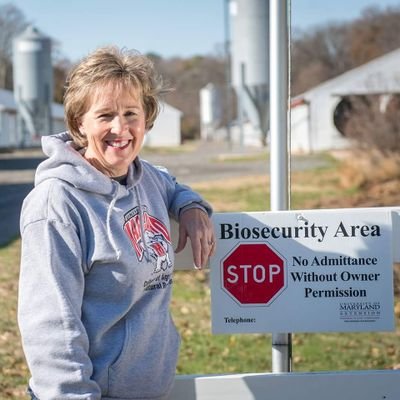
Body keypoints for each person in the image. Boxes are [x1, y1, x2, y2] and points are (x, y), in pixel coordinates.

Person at [18, 46, 215, 400]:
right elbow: (49, 327)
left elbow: (172, 185)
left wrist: (192, 207)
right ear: (80, 122)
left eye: (130, 113)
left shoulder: (146, 178)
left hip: (152, 390)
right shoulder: (56, 204)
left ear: (146, 119)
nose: (119, 128)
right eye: (105, 115)